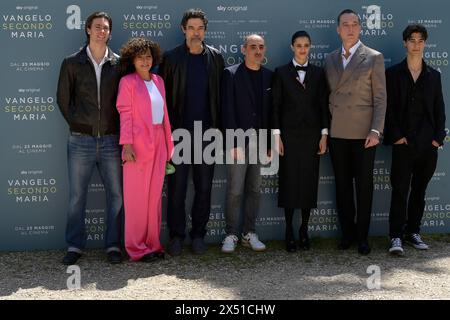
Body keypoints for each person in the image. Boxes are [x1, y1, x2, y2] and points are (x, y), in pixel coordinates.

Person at [56, 11, 123, 265]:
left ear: (110, 32)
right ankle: (74, 246)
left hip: (111, 140)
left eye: (106, 27)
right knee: (77, 196)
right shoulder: (72, 62)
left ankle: (113, 245)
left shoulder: (119, 63)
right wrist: (78, 125)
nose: (101, 31)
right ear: (87, 29)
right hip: (80, 140)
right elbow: (63, 99)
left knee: (116, 195)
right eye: (97, 27)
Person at [159, 8, 224, 256]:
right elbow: (162, 100)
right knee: (176, 190)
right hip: (178, 136)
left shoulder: (215, 58)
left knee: (204, 188)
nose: (196, 33)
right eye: (191, 28)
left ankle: (198, 235)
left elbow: (221, 98)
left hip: (207, 136)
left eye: (200, 28)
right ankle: (176, 236)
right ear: (183, 29)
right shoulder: (171, 58)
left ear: (205, 30)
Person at [325, 9, 387, 255]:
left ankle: (362, 237)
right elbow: (327, 96)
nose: (350, 28)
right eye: (345, 25)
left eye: (354, 24)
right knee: (341, 187)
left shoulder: (373, 57)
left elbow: (381, 99)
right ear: (338, 29)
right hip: (338, 131)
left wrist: (376, 130)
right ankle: (347, 234)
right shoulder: (329, 58)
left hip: (364, 134)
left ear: (360, 28)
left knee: (363, 188)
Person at [384, 24, 446, 255]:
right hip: (403, 144)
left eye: (421, 40)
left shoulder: (434, 75)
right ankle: (395, 236)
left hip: (428, 145)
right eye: (412, 40)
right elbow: (387, 109)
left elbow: (440, 110)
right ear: (405, 43)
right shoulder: (392, 74)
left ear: (425, 44)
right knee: (400, 190)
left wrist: (437, 139)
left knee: (419, 190)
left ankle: (413, 232)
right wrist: (397, 137)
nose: (416, 44)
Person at [116, 38, 174, 262]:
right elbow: (125, 114)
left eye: (149, 56)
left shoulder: (158, 80)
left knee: (154, 198)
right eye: (140, 56)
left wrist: (168, 144)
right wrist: (127, 145)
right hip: (137, 144)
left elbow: (165, 114)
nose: (145, 60)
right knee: (136, 199)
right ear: (133, 59)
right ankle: (136, 248)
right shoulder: (127, 82)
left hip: (159, 141)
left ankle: (153, 244)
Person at [272, 31, 329, 252]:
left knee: (308, 183)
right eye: (298, 45)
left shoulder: (319, 73)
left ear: (310, 47)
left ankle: (304, 230)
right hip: (288, 137)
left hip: (312, 137)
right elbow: (275, 106)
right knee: (289, 183)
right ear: (292, 47)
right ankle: (288, 231)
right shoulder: (281, 72)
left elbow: (324, 105)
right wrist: (277, 136)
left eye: (306, 45)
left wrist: (324, 134)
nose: (302, 49)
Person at [220, 34, 272, 253]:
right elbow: (226, 110)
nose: (257, 51)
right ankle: (231, 234)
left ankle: (249, 233)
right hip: (238, 142)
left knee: (255, 189)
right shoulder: (230, 74)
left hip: (261, 142)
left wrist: (270, 143)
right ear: (243, 49)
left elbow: (271, 113)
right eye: (253, 47)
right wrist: (232, 143)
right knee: (235, 190)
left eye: (261, 47)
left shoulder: (270, 76)